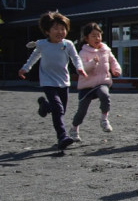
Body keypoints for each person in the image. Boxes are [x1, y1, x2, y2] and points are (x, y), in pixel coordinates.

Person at [18, 11, 88, 150]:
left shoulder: (68, 44)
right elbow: (34, 57)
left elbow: (75, 58)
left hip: (64, 81)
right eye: (55, 29)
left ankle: (45, 105)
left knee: (61, 110)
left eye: (63, 29)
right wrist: (25, 68)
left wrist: (80, 68)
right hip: (48, 81)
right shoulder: (43, 44)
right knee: (58, 108)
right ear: (47, 31)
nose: (60, 32)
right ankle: (62, 136)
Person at [69, 22, 122, 142]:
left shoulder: (106, 50)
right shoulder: (83, 52)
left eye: (99, 35)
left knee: (105, 95)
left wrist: (116, 69)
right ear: (86, 38)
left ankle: (104, 119)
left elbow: (113, 61)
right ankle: (74, 128)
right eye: (93, 36)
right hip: (87, 85)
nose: (97, 38)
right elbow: (81, 68)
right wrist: (93, 63)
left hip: (102, 82)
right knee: (81, 111)